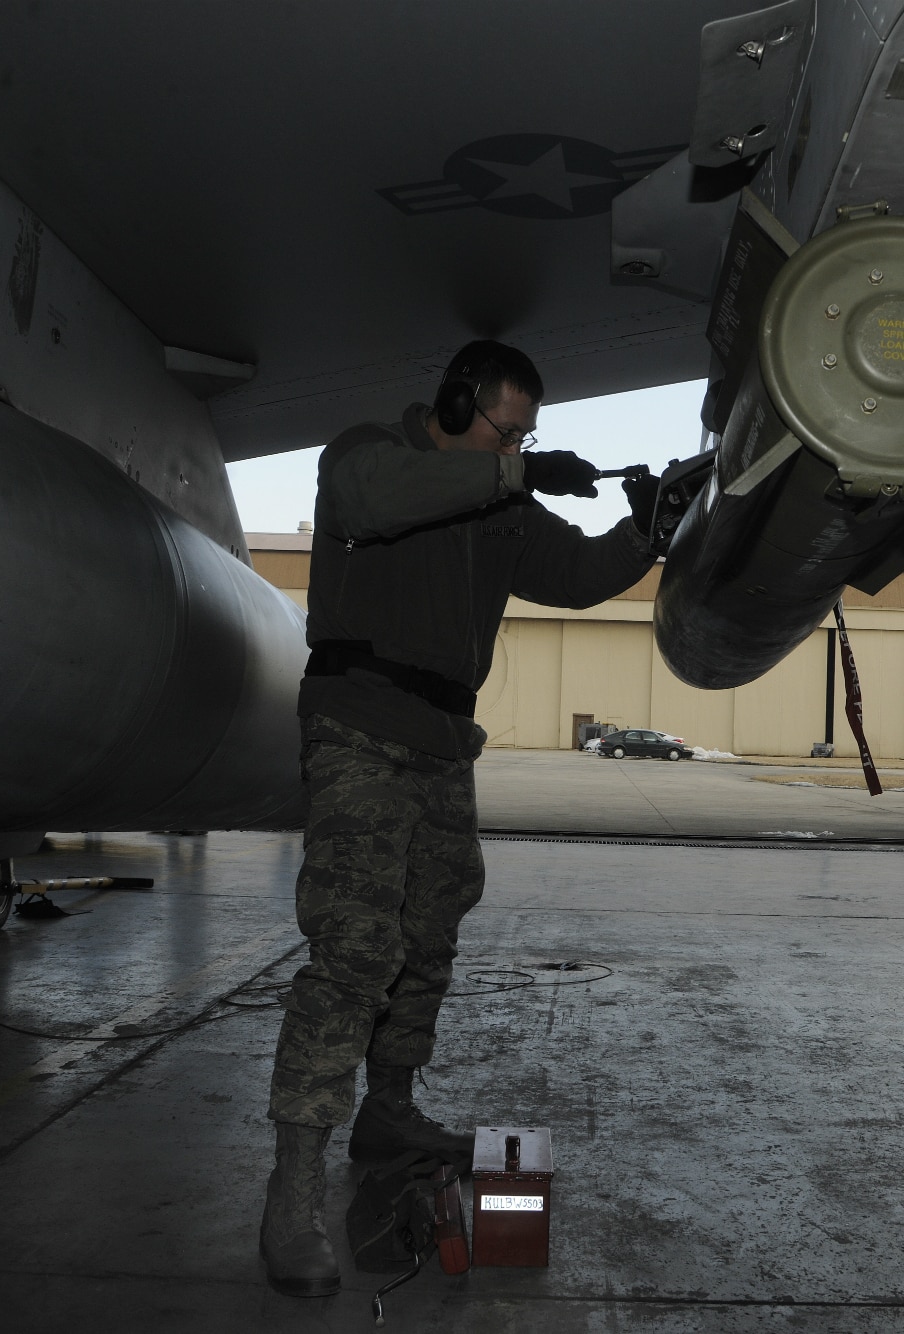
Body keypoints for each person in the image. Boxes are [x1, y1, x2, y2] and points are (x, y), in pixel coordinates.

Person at [259, 340, 659, 1297]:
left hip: (444, 739)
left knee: (429, 933)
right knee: (355, 948)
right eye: (505, 425)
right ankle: (292, 1192)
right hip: (358, 722)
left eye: (527, 434)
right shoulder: (366, 454)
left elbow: (574, 574)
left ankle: (386, 1110)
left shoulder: (503, 501)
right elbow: (369, 501)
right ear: (454, 399)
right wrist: (507, 473)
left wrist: (654, 529)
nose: (518, 443)